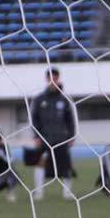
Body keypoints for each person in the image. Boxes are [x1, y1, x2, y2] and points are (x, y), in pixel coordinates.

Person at [29, 67, 78, 200]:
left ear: (58, 79)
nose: (53, 81)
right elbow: (34, 119)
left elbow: (70, 120)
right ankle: (39, 192)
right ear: (46, 79)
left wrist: (72, 136)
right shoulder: (39, 99)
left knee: (66, 165)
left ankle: (67, 192)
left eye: (55, 78)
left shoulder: (64, 99)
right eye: (50, 78)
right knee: (40, 163)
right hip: (44, 138)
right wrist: (36, 136)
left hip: (61, 138)